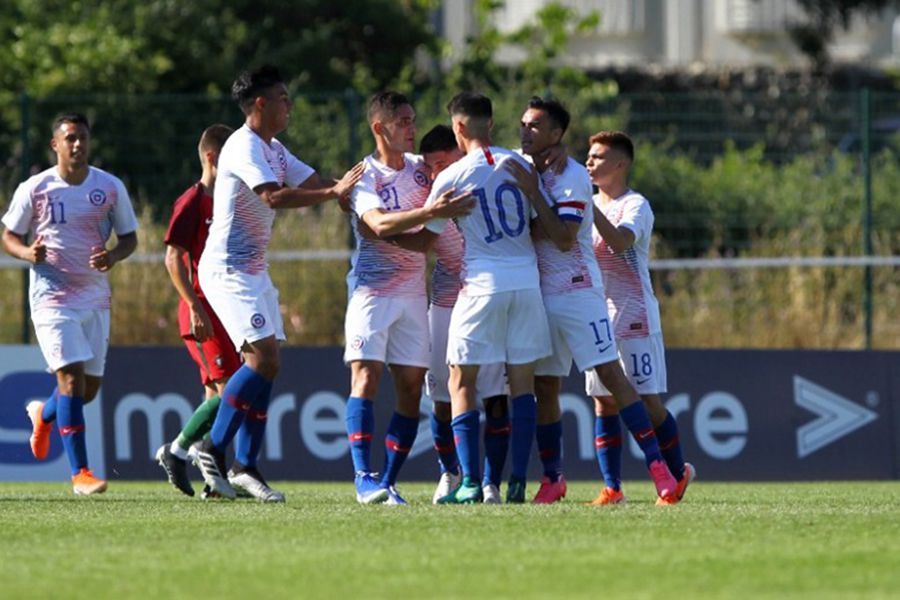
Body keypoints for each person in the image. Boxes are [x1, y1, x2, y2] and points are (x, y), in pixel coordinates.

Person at [193, 65, 363, 502]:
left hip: (253, 269)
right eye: (284, 97)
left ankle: (245, 467)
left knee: (269, 364)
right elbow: (274, 196)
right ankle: (209, 447)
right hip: (227, 269)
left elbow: (317, 182)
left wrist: (357, 193)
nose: (290, 104)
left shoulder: (275, 149)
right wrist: (332, 194)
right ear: (261, 104)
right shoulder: (242, 146)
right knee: (262, 356)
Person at [508, 97, 678, 505]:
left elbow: (565, 238)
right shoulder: (518, 162)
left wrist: (533, 195)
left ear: (555, 134)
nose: (525, 131)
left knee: (615, 380)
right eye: (522, 124)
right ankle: (554, 479)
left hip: (580, 292)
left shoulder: (573, 178)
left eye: (535, 126)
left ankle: (660, 471)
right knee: (546, 387)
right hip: (540, 296)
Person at [343, 92, 474, 505]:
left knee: (411, 387)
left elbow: (459, 165)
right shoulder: (366, 175)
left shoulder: (422, 168)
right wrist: (428, 213)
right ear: (379, 128)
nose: (412, 128)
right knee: (366, 377)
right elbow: (377, 224)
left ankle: (389, 482)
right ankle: (365, 478)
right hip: (372, 291)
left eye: (413, 120)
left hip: (415, 293)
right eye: (403, 122)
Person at [423, 92, 552, 504]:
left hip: (481, 286)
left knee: (462, 379)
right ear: (491, 124)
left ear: (458, 128)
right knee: (521, 387)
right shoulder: (522, 162)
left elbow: (427, 236)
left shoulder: (453, 176)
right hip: (527, 284)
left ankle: (472, 483)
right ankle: (513, 482)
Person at [3, 112, 138, 495]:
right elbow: (8, 236)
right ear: (55, 145)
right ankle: (80, 473)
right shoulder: (35, 188)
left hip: (95, 297)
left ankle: (41, 415)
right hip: (52, 298)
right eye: (70, 138)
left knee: (86, 391)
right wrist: (28, 253)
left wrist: (112, 256)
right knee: (71, 380)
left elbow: (129, 238)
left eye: (82, 138)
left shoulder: (109, 188)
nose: (78, 145)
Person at [584, 131, 695, 506]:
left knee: (646, 399)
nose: (589, 163)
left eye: (598, 157)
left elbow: (619, 243)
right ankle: (612, 487)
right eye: (588, 156)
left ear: (620, 164)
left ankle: (678, 473)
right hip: (597, 313)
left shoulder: (636, 206)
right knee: (603, 401)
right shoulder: (585, 203)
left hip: (634, 313)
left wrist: (588, 207)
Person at [418, 125, 509, 504]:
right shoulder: (432, 192)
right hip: (444, 304)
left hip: (487, 298)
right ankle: (450, 472)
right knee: (442, 397)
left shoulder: (490, 178)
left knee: (496, 396)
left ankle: (490, 482)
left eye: (442, 163)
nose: (436, 173)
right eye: (430, 167)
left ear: (459, 152)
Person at [155, 123, 242, 498]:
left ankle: (214, 481)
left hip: (225, 309)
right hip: (202, 312)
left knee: (213, 396)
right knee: (233, 390)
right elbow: (172, 258)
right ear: (211, 157)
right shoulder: (191, 201)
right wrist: (194, 306)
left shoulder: (227, 201)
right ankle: (175, 451)